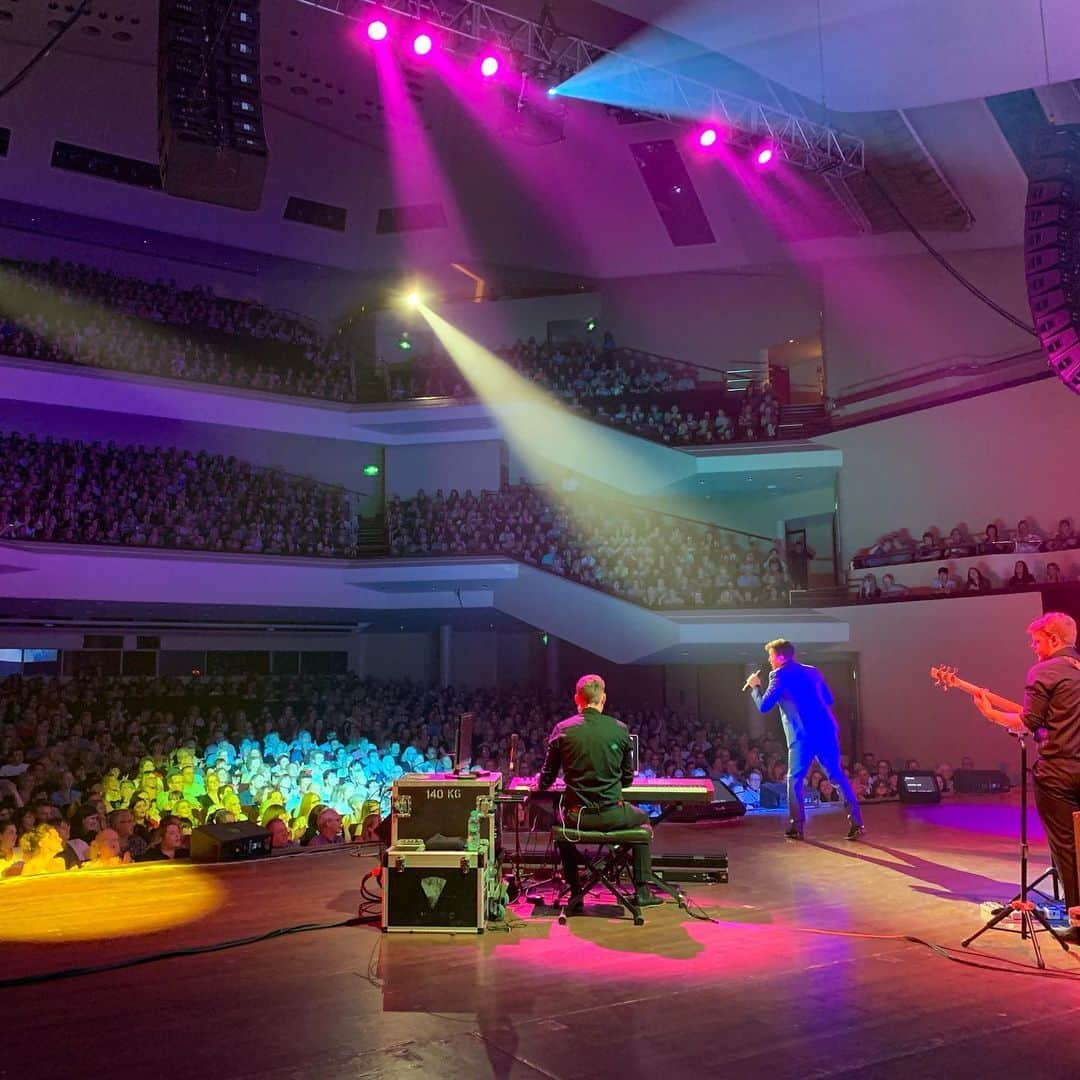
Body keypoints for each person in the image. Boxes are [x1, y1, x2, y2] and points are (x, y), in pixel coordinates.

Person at [970, 612, 1080, 942]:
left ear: (1054, 639)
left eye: (1037, 641)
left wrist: (990, 715)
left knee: (1066, 848)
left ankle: (1078, 921)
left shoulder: (1044, 671)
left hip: (1058, 773)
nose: (1033, 648)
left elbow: (1027, 723)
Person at [537, 673, 661, 910]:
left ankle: (575, 891)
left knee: (561, 826)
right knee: (643, 819)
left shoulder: (562, 729)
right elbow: (626, 780)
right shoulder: (620, 730)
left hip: (577, 818)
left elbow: (547, 779)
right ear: (603, 698)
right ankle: (642, 890)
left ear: (577, 699)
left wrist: (539, 784)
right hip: (613, 815)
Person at [747, 639, 864, 841]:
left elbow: (764, 706)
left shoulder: (778, 674)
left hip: (802, 735)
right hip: (826, 731)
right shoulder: (812, 671)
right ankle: (857, 823)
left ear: (781, 657)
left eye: (771, 655)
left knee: (794, 780)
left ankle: (796, 827)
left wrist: (755, 687)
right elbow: (828, 699)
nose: (769, 660)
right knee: (836, 776)